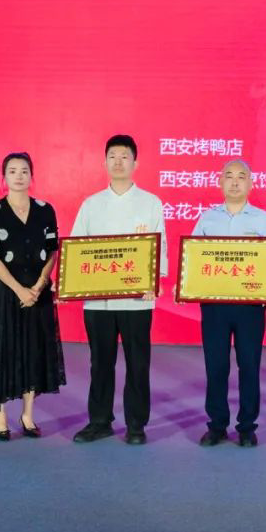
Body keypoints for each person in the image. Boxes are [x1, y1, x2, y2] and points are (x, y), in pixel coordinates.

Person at [70, 134, 167, 446]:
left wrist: (153, 282)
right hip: (98, 302)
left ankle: (136, 424)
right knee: (100, 362)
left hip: (137, 300)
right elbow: (77, 249)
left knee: (138, 363)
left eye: (124, 156)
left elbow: (159, 247)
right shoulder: (91, 204)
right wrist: (74, 283)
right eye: (112, 156)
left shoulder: (150, 202)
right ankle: (99, 421)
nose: (118, 161)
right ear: (104, 163)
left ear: (135, 163)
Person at [0, 152, 65, 440]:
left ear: (32, 175)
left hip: (38, 291)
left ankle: (27, 416)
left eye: (24, 171)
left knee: (33, 350)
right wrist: (19, 289)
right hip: (6, 291)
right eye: (12, 171)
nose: (19, 176)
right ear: (4, 177)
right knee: (2, 351)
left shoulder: (45, 210)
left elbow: (52, 249)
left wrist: (40, 283)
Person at [190, 159, 266, 448]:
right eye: (229, 176)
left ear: (251, 183)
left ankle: (247, 427)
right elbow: (192, 258)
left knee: (249, 365)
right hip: (214, 306)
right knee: (216, 366)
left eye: (242, 176)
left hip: (250, 307)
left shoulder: (263, 220)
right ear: (220, 182)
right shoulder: (207, 219)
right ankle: (216, 425)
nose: (235, 181)